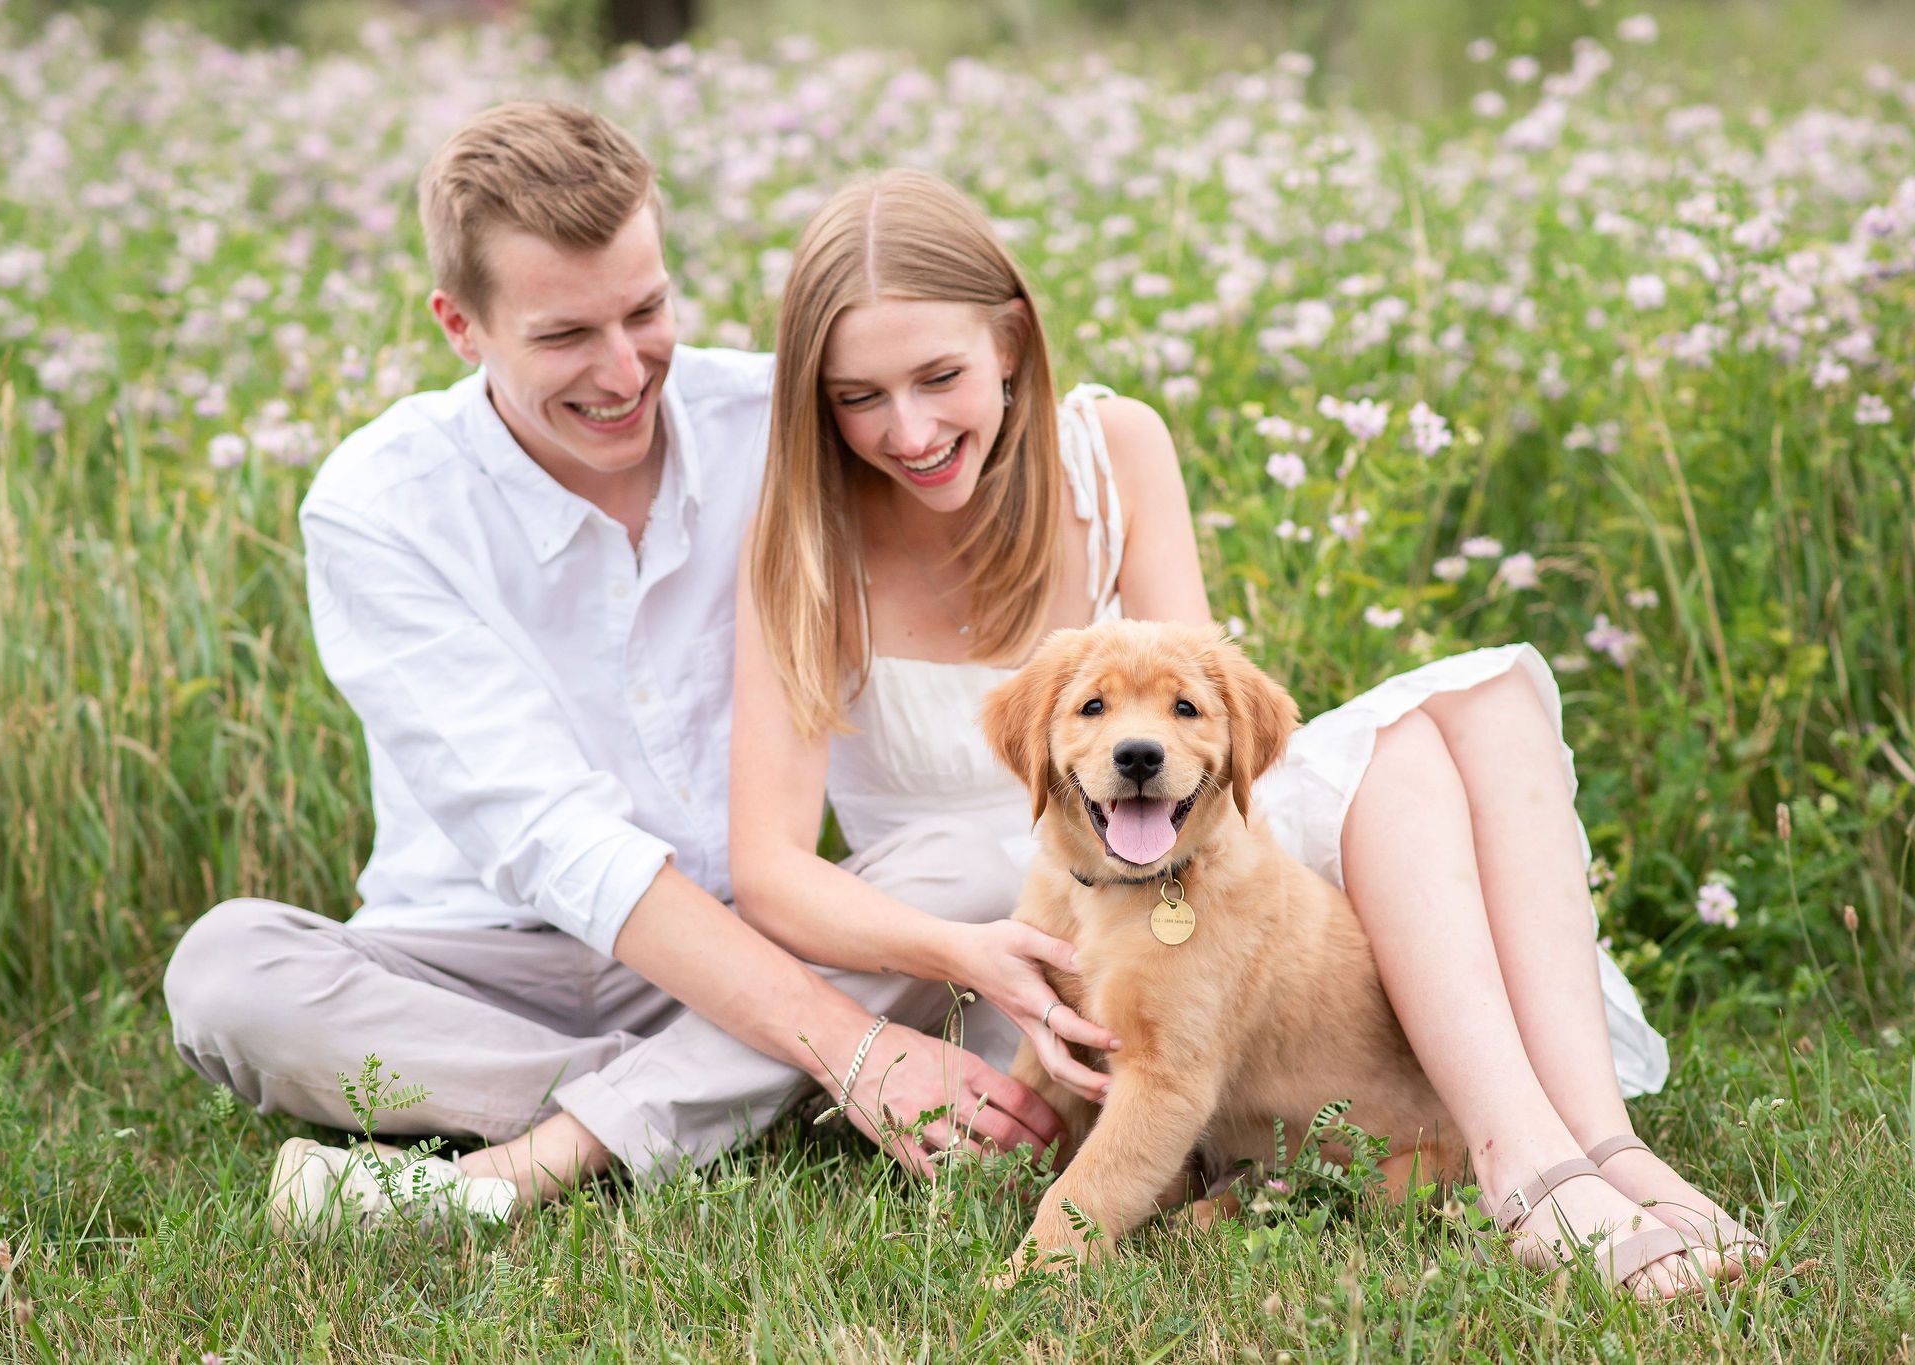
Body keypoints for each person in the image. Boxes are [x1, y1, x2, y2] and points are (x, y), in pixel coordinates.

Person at [727, 168, 1764, 1298]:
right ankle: (1526, 1164)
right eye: (857, 397)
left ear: (1013, 342)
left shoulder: (1113, 444)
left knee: (1471, 703)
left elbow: (1196, 701)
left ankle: (1587, 1149)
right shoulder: (802, 543)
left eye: (940, 377)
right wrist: (969, 958)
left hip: (1194, 867)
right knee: (1399, 752)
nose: (911, 429)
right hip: (1006, 931)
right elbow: (770, 872)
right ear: (811, 398)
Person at [160, 103, 1065, 1231]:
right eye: (564, 336)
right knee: (226, 976)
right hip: (482, 966)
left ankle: (559, 1149)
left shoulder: (775, 423)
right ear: (460, 325)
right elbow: (552, 840)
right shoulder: (379, 505)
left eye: (645, 311)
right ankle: (760, 1091)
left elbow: (954, 450)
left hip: (762, 931)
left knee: (956, 869)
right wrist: (846, 1040)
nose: (623, 369)